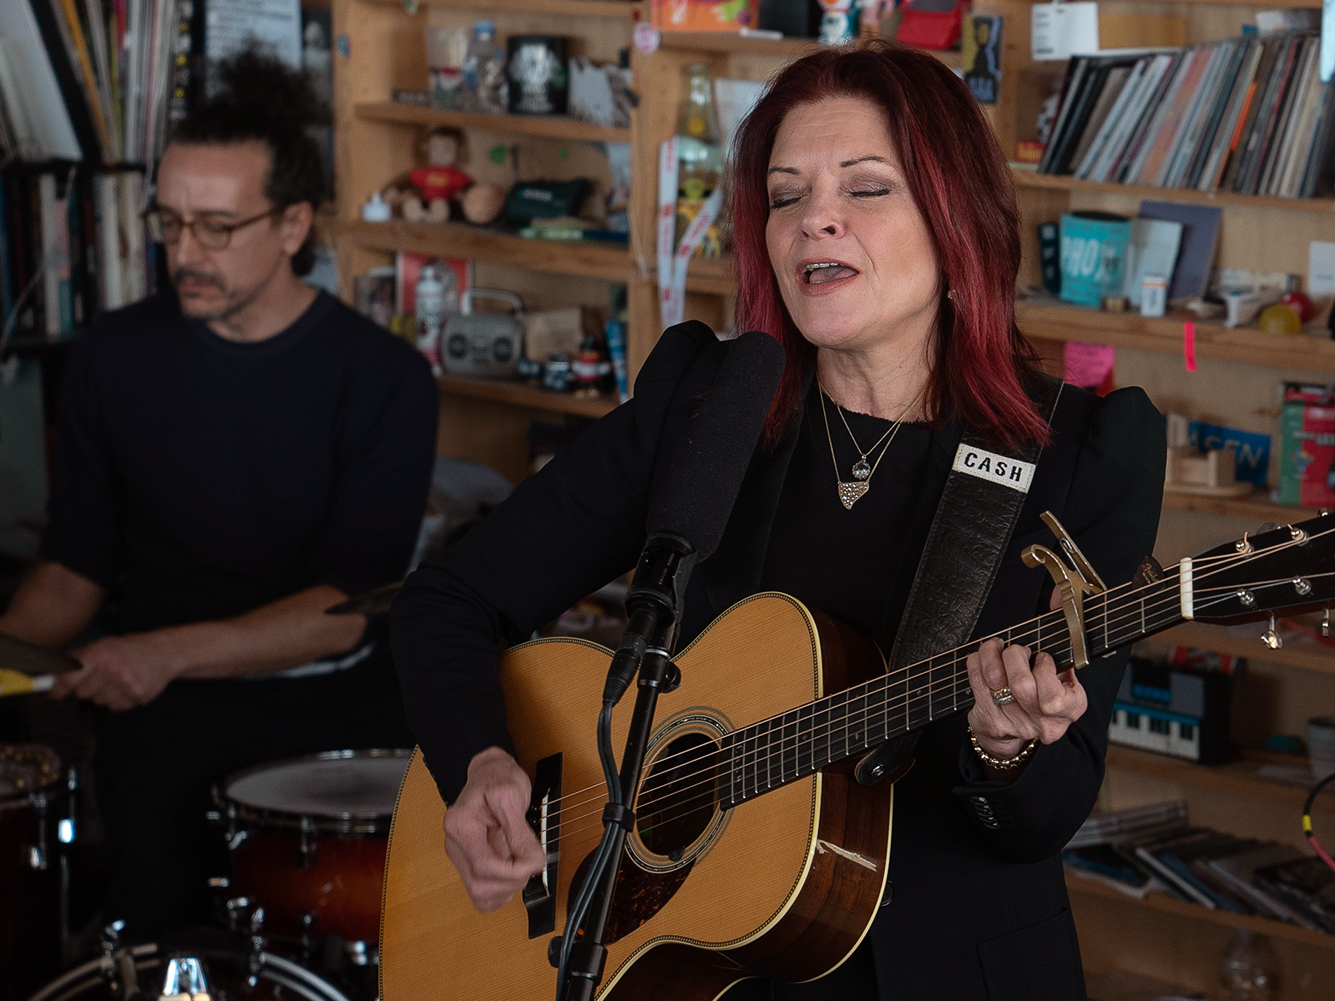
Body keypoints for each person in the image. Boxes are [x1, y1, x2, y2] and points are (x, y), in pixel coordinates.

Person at [390, 40, 1164, 1000]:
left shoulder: (1080, 454)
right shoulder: (706, 409)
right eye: (786, 193)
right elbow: (449, 598)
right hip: (698, 966)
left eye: (866, 188)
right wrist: (479, 761)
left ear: (956, 216)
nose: (814, 220)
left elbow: (1043, 818)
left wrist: (1007, 748)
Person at [0, 51, 437, 940]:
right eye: (168, 224)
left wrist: (158, 652)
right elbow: (75, 564)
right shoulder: (114, 357)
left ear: (292, 224)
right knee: (155, 927)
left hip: (336, 705)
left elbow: (345, 609)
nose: (184, 253)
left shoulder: (383, 376)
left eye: (215, 226)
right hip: (164, 717)